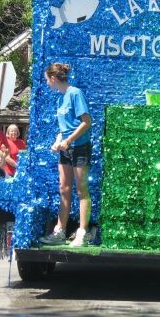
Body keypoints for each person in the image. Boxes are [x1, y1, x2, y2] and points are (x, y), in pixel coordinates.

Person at [39, 62, 92, 247]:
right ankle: (60, 231)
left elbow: (86, 122)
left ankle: (82, 233)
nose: (47, 83)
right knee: (64, 189)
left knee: (81, 189)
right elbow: (64, 128)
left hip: (79, 147)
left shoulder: (75, 93)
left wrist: (69, 141)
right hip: (65, 149)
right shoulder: (60, 99)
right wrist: (58, 141)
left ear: (53, 78)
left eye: (47, 80)